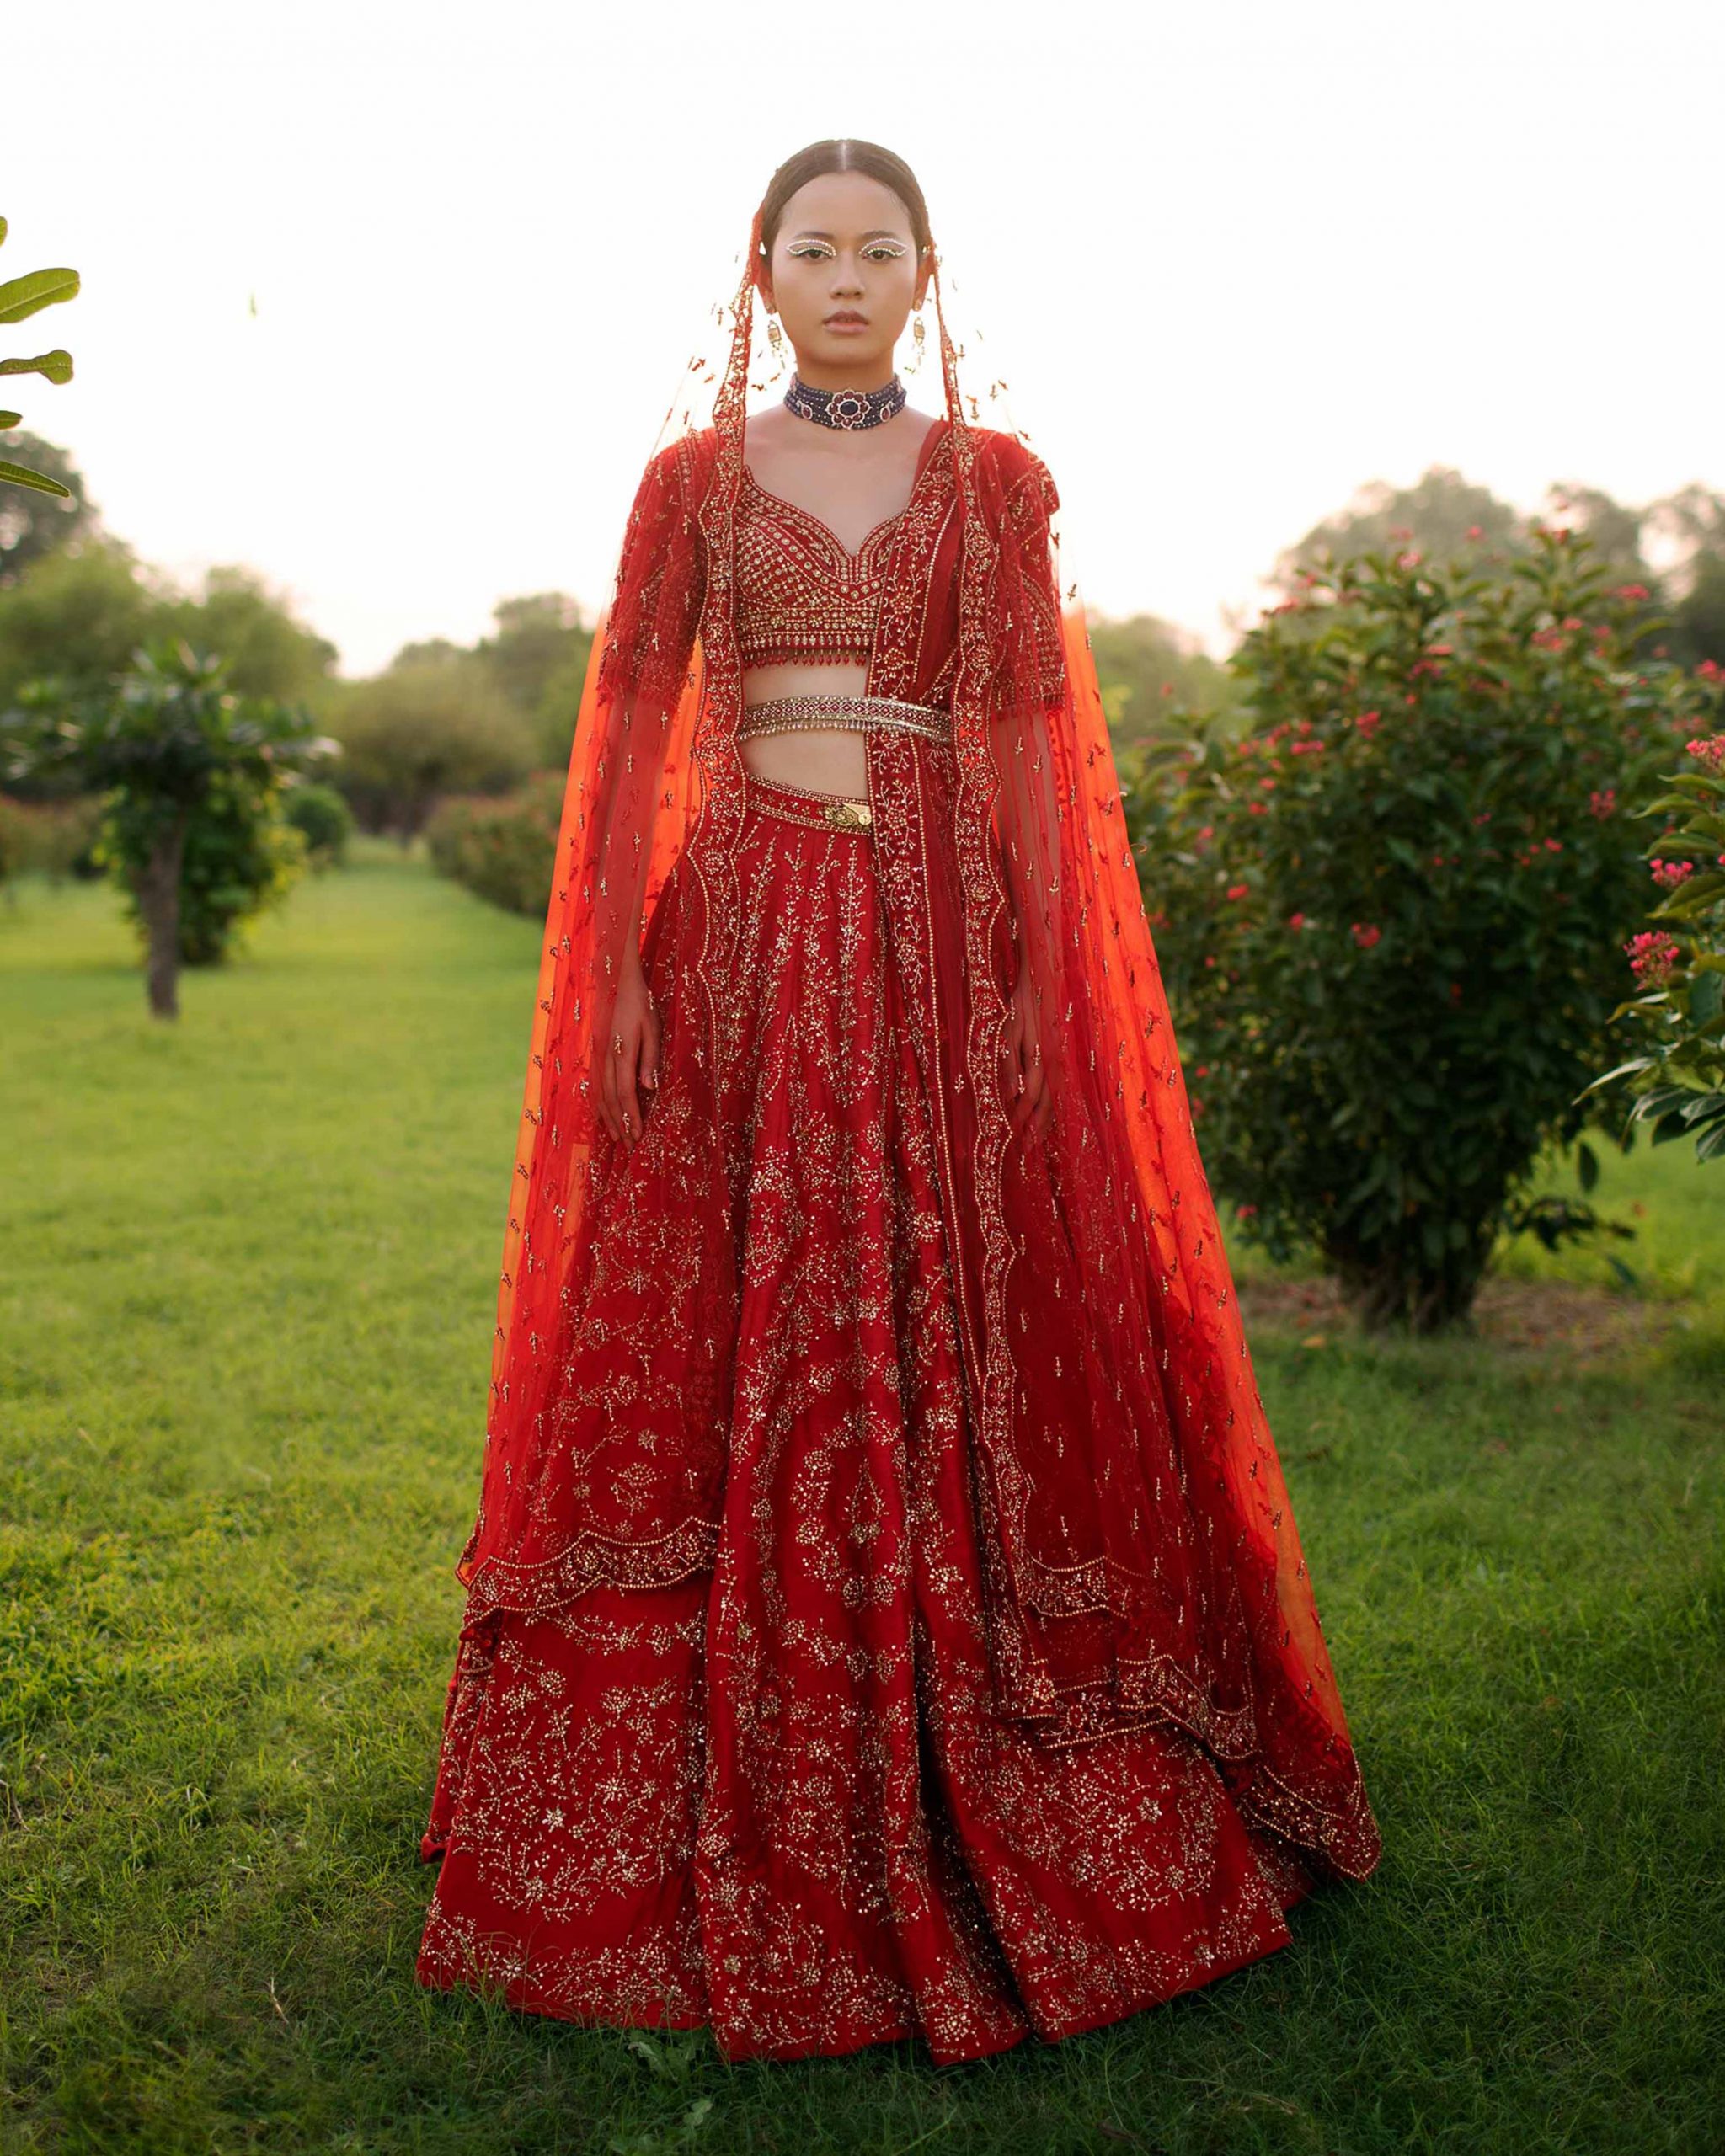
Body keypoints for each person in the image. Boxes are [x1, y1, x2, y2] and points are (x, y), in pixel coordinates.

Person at [414, 136, 1381, 2067]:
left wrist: (1039, 973)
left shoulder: (994, 484)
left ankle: (988, 1740)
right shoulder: (688, 485)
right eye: (813, 247)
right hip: (742, 928)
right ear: (760, 273)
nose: (845, 274)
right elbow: (627, 727)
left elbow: (1027, 737)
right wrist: (613, 973)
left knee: (980, 1307)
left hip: (942, 933)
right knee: (714, 1309)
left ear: (925, 274)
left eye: (878, 247)